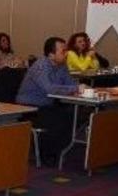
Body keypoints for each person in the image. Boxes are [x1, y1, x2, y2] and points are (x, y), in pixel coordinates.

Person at [16, 37, 81, 165]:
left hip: (47, 104)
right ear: (51, 55)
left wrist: (79, 89)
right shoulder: (40, 66)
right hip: (29, 107)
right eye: (63, 51)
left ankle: (58, 151)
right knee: (60, 119)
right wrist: (75, 89)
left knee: (74, 114)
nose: (67, 54)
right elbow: (49, 89)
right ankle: (48, 153)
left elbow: (71, 84)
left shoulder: (62, 66)